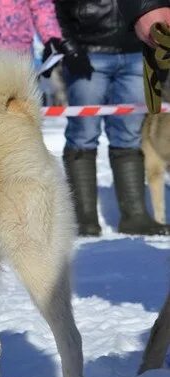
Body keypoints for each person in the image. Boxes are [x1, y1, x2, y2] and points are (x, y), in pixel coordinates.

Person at [54, 0, 170, 236]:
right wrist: (68, 46)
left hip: (137, 52)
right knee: (83, 135)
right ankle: (84, 219)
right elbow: (54, 8)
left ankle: (135, 216)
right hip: (88, 51)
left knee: (129, 136)